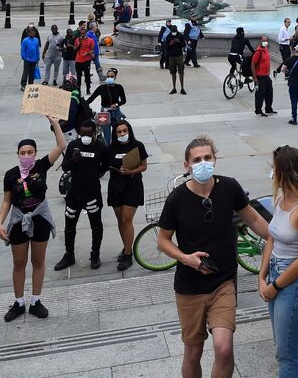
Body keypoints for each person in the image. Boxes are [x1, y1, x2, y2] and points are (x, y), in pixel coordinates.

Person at [156, 137, 270, 378]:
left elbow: (254, 219)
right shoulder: (176, 199)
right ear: (187, 166)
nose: (203, 163)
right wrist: (185, 258)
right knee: (193, 352)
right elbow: (163, 241)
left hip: (223, 282)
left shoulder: (229, 188)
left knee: (224, 348)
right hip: (189, 287)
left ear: (215, 159)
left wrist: (281, 236)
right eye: (196, 160)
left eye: (207, 158)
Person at [258, 146, 298, 378]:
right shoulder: (280, 199)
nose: (272, 172)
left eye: (274, 168)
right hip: (275, 273)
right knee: (286, 346)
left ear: (284, 172)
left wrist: (275, 287)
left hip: (293, 281)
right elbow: (271, 239)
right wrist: (262, 275)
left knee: (285, 352)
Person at [0, 117, 66, 320]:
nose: (26, 156)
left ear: (35, 154)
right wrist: (0, 222)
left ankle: (35, 300)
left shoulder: (41, 166)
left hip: (40, 218)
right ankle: (18, 302)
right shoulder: (10, 175)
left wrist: (54, 123)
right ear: (17, 155)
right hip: (19, 220)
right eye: (23, 153)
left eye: (30, 152)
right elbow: (6, 201)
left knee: (38, 260)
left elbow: (61, 145)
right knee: (19, 262)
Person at [53, 118, 110, 271]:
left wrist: (97, 173)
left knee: (96, 225)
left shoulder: (100, 147)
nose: (85, 136)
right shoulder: (73, 145)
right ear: (79, 132)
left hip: (92, 193)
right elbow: (64, 167)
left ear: (94, 133)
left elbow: (106, 164)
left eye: (88, 133)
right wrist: (73, 160)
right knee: (69, 226)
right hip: (74, 193)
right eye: (83, 133)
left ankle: (95, 254)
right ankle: (69, 254)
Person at [105, 117, 150, 272]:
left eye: (125, 131)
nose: (122, 133)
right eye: (119, 132)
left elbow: (144, 166)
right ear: (115, 134)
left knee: (126, 219)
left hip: (132, 185)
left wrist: (131, 171)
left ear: (129, 131)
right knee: (120, 220)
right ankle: (126, 247)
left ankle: (128, 253)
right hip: (116, 186)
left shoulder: (137, 146)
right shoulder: (110, 149)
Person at [252, 37, 275, 116]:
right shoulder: (258, 52)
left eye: (266, 41)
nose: (265, 42)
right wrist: (255, 78)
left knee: (269, 92)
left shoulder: (266, 49)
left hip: (266, 76)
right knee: (260, 94)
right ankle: (258, 110)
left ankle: (268, 109)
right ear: (260, 41)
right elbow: (253, 64)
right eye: (264, 41)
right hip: (260, 76)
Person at [164, 24, 187, 95]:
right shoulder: (169, 36)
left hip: (179, 56)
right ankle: (174, 88)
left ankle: (182, 88)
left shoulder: (180, 36)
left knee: (181, 72)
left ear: (176, 30)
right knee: (173, 72)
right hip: (171, 57)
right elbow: (166, 47)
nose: (173, 33)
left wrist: (178, 42)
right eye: (172, 32)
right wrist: (170, 44)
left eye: (174, 32)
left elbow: (184, 45)